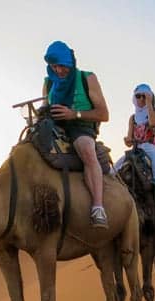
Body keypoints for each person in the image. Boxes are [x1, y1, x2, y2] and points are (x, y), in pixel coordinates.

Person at [42, 40, 110, 229]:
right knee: (24, 149)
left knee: (86, 149)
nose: (59, 70)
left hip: (80, 125)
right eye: (54, 66)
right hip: (54, 125)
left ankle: (98, 207)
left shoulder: (86, 78)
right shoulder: (49, 83)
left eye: (62, 65)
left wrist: (74, 114)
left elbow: (104, 114)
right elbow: (44, 106)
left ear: (70, 62)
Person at [116, 84, 155, 231]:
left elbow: (154, 123)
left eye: (145, 96)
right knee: (114, 172)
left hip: (153, 148)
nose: (141, 99)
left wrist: (149, 104)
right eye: (138, 96)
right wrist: (128, 140)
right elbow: (130, 138)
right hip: (137, 148)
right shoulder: (133, 118)